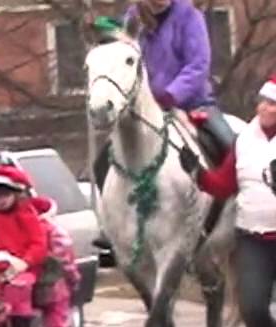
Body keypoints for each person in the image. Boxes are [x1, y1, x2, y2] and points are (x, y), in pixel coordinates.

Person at [192, 75, 276, 327]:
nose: (265, 108)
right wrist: (199, 175)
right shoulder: (244, 141)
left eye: (272, 104)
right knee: (253, 308)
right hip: (253, 237)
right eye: (263, 102)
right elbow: (224, 185)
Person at [92, 1, 234, 190]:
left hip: (193, 104)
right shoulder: (133, 20)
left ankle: (238, 202)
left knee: (232, 148)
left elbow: (198, 65)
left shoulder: (189, 16)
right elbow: (124, 61)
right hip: (144, 109)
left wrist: (171, 95)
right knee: (101, 165)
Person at [0, 166, 50, 320]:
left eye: (5, 195)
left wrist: (25, 262)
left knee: (18, 289)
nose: (0, 200)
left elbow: (38, 244)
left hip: (24, 268)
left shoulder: (26, 215)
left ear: (16, 194)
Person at [30, 195, 83, 327]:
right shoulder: (54, 231)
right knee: (55, 316)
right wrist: (74, 277)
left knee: (35, 313)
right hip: (55, 281)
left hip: (33, 278)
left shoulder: (26, 229)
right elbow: (66, 258)